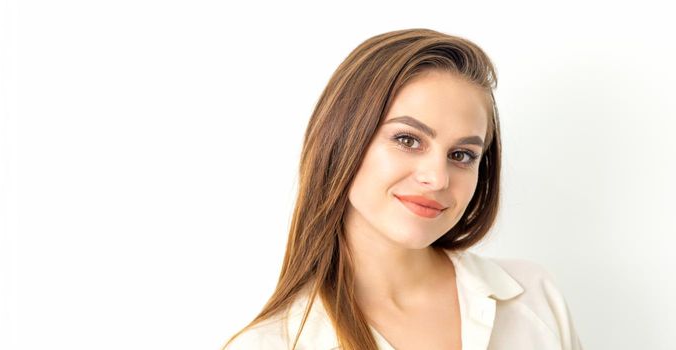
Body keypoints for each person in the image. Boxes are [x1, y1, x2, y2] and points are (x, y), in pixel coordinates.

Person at [222, 28, 582, 350]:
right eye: (408, 139)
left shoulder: (532, 297)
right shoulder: (272, 343)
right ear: (341, 141)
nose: (437, 178)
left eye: (461, 154)